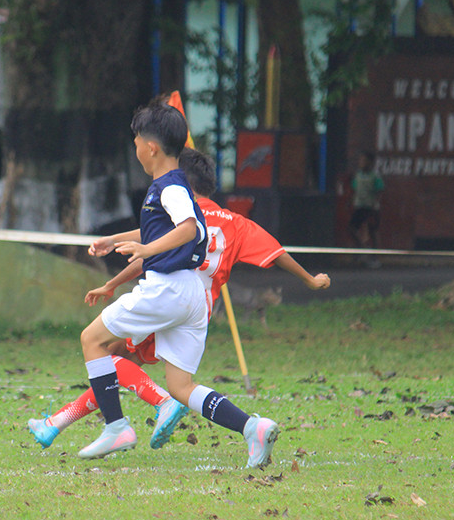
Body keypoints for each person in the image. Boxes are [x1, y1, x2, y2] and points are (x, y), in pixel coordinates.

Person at [30, 147, 330, 453]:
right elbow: (276, 252)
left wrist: (112, 283)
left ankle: (156, 405)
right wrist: (309, 278)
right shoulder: (236, 223)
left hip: (168, 297)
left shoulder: (182, 216)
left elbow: (152, 254)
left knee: (107, 355)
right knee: (148, 375)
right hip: (198, 308)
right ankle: (56, 423)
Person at [75, 102, 280, 468]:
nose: (135, 147)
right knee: (180, 387)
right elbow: (171, 227)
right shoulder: (178, 187)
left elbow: (187, 229)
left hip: (166, 288)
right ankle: (253, 428)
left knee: (92, 339)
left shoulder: (168, 187)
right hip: (192, 295)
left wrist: (145, 250)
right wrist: (114, 240)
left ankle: (116, 426)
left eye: (137, 141)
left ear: (151, 147)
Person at [348, 151, 384, 268]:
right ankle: (362, 249)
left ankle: (375, 258)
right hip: (359, 206)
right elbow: (354, 189)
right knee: (352, 228)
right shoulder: (358, 175)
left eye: (364, 161)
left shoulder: (375, 176)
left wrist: (375, 204)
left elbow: (379, 190)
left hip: (371, 207)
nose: (361, 163)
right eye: (361, 160)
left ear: (370, 162)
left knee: (372, 231)